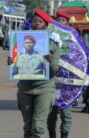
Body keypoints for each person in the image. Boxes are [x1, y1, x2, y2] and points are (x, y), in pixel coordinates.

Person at [7, 8, 60, 138]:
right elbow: (16, 69)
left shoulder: (52, 44)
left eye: (40, 21)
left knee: (38, 128)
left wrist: (50, 61)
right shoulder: (21, 41)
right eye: (34, 21)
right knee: (28, 127)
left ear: (46, 25)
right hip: (25, 88)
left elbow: (55, 71)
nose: (36, 23)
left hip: (44, 88)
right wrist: (12, 61)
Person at [47, 11, 72, 138]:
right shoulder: (49, 36)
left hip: (67, 80)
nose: (60, 23)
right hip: (52, 78)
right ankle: (52, 134)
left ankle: (64, 135)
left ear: (67, 23)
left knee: (66, 112)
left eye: (63, 20)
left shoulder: (73, 39)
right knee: (51, 111)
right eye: (58, 20)